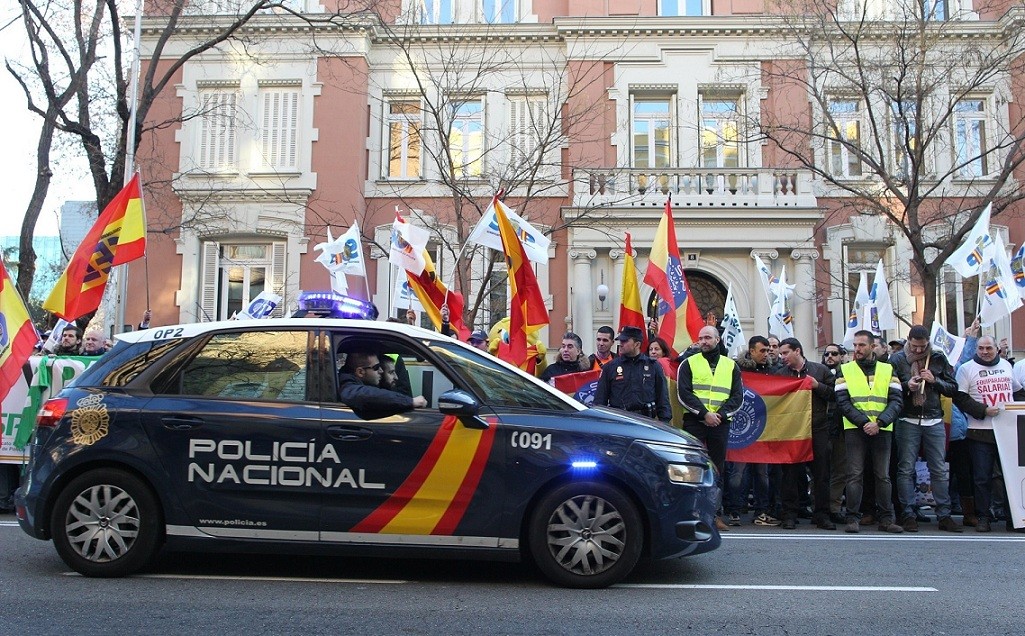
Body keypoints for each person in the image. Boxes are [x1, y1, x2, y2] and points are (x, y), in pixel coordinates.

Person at [888, 325, 963, 533]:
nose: (919, 350)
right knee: (905, 468)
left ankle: (944, 515)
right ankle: (908, 514)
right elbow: (888, 389)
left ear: (928, 342)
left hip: (934, 419)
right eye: (915, 346)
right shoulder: (897, 360)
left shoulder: (937, 357)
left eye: (922, 347)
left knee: (938, 469)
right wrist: (906, 386)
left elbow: (953, 388)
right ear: (908, 341)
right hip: (907, 419)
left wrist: (934, 380)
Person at [835, 330, 904, 534]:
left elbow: (896, 400)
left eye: (861, 345)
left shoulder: (888, 369)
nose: (857, 349)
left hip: (881, 428)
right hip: (856, 429)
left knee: (883, 476)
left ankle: (886, 519)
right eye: (855, 345)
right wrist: (865, 422)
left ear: (873, 347)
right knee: (854, 475)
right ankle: (852, 518)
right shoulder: (844, 369)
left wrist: (879, 422)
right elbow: (842, 402)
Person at [678, 325, 744, 532]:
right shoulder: (688, 363)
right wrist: (704, 414)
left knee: (717, 470)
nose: (703, 341)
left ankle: (715, 515)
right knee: (692, 468)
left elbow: (737, 397)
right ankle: (690, 513)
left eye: (707, 337)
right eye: (701, 338)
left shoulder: (731, 366)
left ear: (717, 340)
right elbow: (683, 393)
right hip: (694, 422)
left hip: (720, 424)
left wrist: (720, 415)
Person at [954, 335, 1024, 532]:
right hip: (979, 431)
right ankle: (983, 517)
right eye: (981, 348)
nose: (985, 352)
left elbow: (1017, 392)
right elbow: (960, 398)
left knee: (1010, 476)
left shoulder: (1006, 366)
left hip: (1007, 431)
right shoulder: (966, 368)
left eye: (989, 348)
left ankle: (1014, 518)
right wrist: (983, 410)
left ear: (996, 349)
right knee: (982, 477)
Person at [775, 337, 836, 530]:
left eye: (785, 353)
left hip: (817, 429)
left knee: (821, 473)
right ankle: (790, 514)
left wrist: (818, 386)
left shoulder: (821, 370)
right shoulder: (780, 374)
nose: (782, 356)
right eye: (781, 353)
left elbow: (836, 395)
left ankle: (822, 514)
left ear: (797, 351)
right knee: (790, 474)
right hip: (792, 430)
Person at [727, 335, 781, 527]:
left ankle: (761, 512)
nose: (767, 354)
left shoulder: (773, 371)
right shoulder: (738, 370)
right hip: (743, 429)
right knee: (738, 473)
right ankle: (734, 510)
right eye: (762, 350)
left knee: (762, 474)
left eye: (768, 350)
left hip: (763, 428)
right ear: (751, 351)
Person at [592, 326, 671, 422]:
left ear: (637, 344)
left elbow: (663, 398)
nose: (621, 344)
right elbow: (600, 400)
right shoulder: (610, 367)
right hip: (620, 421)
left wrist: (665, 421)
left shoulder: (653, 366)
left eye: (625, 341)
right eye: (620, 341)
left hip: (646, 421)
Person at [338, 351, 427, 419]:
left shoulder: (357, 381)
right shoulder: (346, 383)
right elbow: (363, 395)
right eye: (376, 367)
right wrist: (411, 401)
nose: (381, 371)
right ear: (360, 372)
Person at [822, 343, 849, 524]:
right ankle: (819, 506)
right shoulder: (818, 373)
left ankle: (834, 507)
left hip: (840, 428)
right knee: (820, 471)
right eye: (827, 354)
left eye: (834, 353)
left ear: (841, 356)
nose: (830, 357)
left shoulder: (847, 374)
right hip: (821, 427)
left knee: (840, 471)